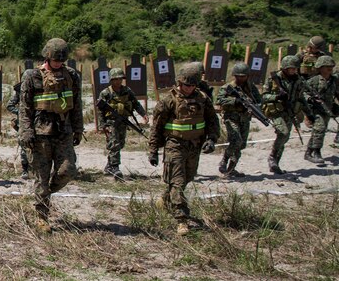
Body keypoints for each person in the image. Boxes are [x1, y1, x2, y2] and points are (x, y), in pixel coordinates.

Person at [18, 38, 84, 234]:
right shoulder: (32, 76)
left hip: (63, 131)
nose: (58, 63)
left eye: (61, 60)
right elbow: (25, 107)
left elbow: (77, 105)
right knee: (41, 177)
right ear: (47, 56)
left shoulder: (71, 76)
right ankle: (41, 216)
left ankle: (45, 193)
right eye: (55, 59)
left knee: (68, 170)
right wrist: (26, 131)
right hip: (40, 134)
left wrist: (78, 129)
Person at [148, 62, 220, 236]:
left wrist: (211, 139)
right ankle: (182, 219)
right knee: (178, 182)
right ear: (179, 82)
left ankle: (165, 198)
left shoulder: (202, 99)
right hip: (175, 145)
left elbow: (212, 120)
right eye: (187, 85)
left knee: (186, 178)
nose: (190, 88)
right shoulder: (168, 101)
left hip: (194, 146)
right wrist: (153, 150)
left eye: (193, 85)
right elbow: (157, 127)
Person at [96, 67, 149, 180]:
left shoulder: (127, 91)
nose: (118, 81)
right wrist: (102, 126)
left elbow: (136, 104)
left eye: (120, 79)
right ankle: (115, 168)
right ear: (111, 80)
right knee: (114, 144)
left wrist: (143, 114)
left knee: (120, 144)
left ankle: (109, 166)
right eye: (116, 79)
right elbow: (100, 111)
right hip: (111, 123)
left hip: (123, 122)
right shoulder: (106, 93)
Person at [261, 55, 309, 174]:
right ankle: (272, 157)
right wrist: (276, 97)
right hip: (276, 112)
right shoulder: (274, 79)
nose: (293, 71)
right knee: (283, 133)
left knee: (284, 137)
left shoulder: (298, 80)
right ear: (284, 68)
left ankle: (275, 162)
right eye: (291, 69)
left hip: (290, 111)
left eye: (295, 69)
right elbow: (263, 96)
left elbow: (301, 97)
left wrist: (309, 113)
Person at [213, 63, 261, 178]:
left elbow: (258, 100)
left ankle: (231, 169)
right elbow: (219, 100)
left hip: (244, 119)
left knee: (241, 145)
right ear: (234, 76)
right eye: (238, 76)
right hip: (231, 118)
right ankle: (224, 160)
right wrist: (235, 101)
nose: (241, 78)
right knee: (236, 140)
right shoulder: (228, 87)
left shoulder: (251, 87)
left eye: (243, 76)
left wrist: (253, 106)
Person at [303, 55, 336, 163]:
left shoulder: (334, 80)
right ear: (320, 67)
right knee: (320, 129)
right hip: (315, 109)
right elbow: (303, 92)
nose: (329, 68)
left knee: (318, 131)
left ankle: (308, 153)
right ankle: (317, 152)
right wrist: (310, 99)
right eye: (327, 66)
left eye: (331, 66)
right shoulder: (314, 80)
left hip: (328, 109)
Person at [6, 72, 31, 179]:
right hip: (23, 122)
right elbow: (10, 105)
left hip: (37, 121)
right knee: (24, 144)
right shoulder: (19, 91)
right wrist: (21, 113)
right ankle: (25, 169)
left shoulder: (40, 89)